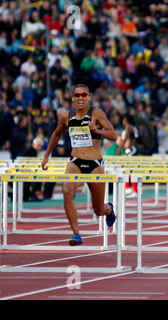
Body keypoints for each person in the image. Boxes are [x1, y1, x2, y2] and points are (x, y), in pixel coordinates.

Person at [41, 84, 117, 246]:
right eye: (77, 95)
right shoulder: (66, 116)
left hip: (95, 164)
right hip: (75, 161)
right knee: (67, 190)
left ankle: (109, 209)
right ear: (73, 98)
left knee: (98, 210)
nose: (80, 98)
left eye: (84, 95)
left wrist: (97, 130)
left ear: (89, 96)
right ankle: (76, 234)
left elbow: (113, 136)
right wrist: (46, 155)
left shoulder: (96, 113)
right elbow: (56, 134)